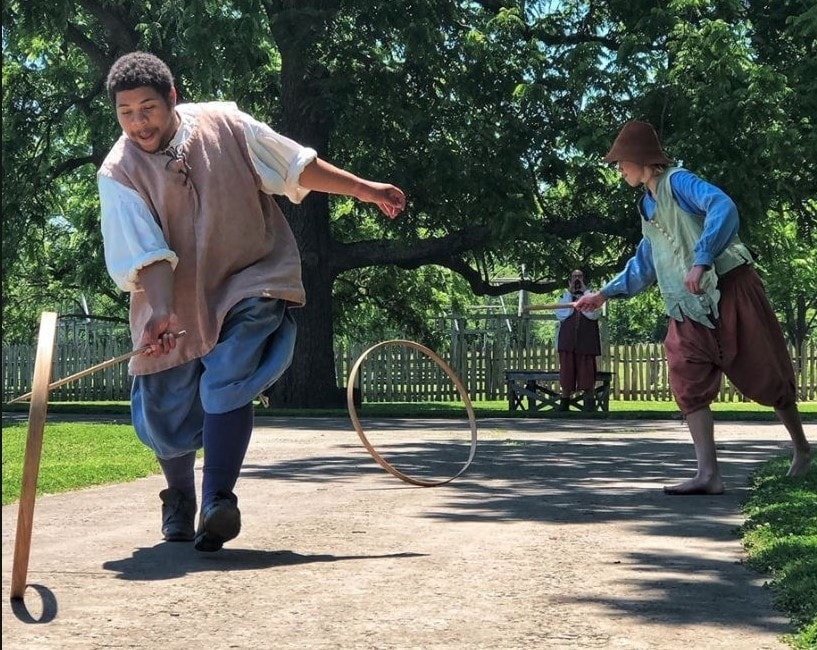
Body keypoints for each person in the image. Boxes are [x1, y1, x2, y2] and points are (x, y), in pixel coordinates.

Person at [98, 51, 406, 551]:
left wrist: (365, 190)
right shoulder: (118, 172)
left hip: (250, 275)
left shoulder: (227, 126)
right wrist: (159, 309)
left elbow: (294, 166)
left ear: (172, 98)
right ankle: (179, 498)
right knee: (166, 410)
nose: (139, 123)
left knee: (231, 372)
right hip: (171, 300)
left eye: (148, 108)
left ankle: (218, 498)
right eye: (126, 112)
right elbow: (146, 252)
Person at [574, 120, 812, 494]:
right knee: (686, 377)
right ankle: (708, 475)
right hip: (687, 307)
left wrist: (702, 259)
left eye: (622, 162)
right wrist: (603, 294)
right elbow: (646, 260)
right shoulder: (647, 205)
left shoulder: (679, 183)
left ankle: (801, 448)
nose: (618, 169)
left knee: (766, 371)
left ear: (643, 161)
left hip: (731, 287)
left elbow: (722, 206)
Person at [554, 270, 601, 411]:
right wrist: (570, 292)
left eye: (579, 277)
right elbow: (561, 314)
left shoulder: (592, 296)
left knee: (587, 374)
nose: (577, 280)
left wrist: (585, 292)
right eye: (574, 277)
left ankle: (589, 403)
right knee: (567, 373)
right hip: (568, 342)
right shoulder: (564, 296)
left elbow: (593, 314)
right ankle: (564, 403)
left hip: (586, 342)